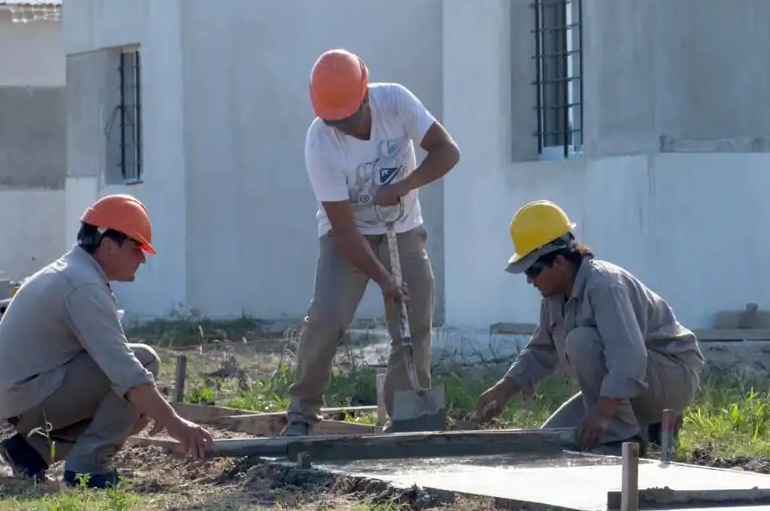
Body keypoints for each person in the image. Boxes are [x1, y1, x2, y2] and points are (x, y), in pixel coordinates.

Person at [283, 49, 461, 435]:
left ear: (366, 95)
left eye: (349, 117)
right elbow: (344, 231)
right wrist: (383, 279)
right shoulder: (320, 142)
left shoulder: (395, 101)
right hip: (347, 235)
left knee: (414, 320)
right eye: (334, 121)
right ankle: (301, 414)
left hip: (403, 226)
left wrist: (404, 185)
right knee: (327, 318)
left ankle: (408, 417)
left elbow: (448, 151)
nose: (343, 127)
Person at [0, 194, 214, 488]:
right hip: (29, 397)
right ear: (108, 244)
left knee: (137, 411)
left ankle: (32, 452)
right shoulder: (81, 284)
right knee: (142, 364)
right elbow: (124, 370)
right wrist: (176, 423)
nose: (141, 258)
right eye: (136, 248)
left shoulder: (76, 273)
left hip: (25, 396)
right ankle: (88, 469)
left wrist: (154, 407)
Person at [473, 201, 704, 452]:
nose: (529, 280)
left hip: (670, 378)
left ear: (559, 262)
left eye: (533, 270)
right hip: (627, 387)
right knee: (546, 443)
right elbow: (540, 351)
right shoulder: (553, 297)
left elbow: (630, 358)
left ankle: (624, 441)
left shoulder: (605, 285)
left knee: (580, 341)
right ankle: (630, 430)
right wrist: (504, 389)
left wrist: (602, 413)